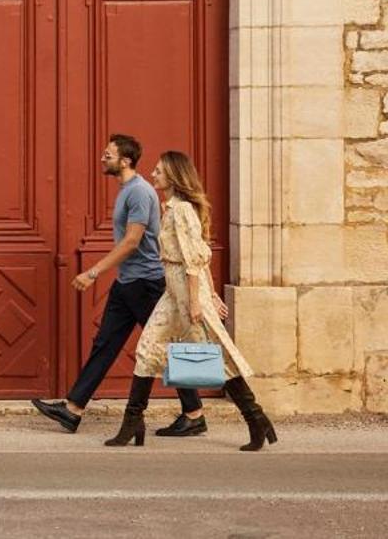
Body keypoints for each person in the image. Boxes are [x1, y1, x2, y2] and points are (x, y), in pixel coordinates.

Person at [30, 134, 206, 439]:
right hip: (128, 283)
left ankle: (194, 414)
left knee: (163, 346)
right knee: (106, 344)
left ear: (124, 161)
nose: (102, 158)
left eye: (108, 155)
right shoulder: (128, 190)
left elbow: (132, 241)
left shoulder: (138, 193)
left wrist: (94, 272)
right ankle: (73, 410)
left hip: (146, 283)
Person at [116, 149, 279, 451]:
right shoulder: (172, 208)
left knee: (219, 358)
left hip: (188, 292)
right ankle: (132, 422)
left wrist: (198, 301)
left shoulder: (181, 211)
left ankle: (256, 419)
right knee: (148, 348)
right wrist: (210, 292)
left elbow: (194, 260)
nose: (153, 175)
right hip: (174, 291)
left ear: (174, 178)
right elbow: (201, 256)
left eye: (159, 172)